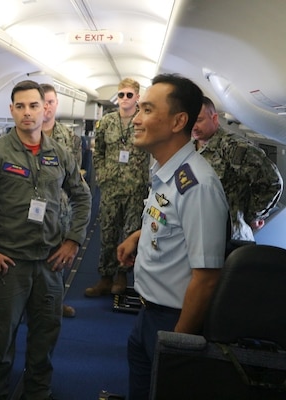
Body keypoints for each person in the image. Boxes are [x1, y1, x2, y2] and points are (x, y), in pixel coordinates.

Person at [0, 80, 92, 400]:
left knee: (44, 339)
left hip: (49, 263)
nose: (28, 113)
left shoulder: (58, 153)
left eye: (34, 106)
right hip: (9, 266)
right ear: (12, 111)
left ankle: (38, 393)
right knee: (0, 343)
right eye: (21, 106)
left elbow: (82, 196)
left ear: (45, 109)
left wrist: (73, 241)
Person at [116, 74, 228, 400]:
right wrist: (138, 235)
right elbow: (170, 219)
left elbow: (207, 277)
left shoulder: (197, 186)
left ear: (179, 121)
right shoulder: (165, 171)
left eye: (147, 110)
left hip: (173, 321)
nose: (136, 119)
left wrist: (177, 346)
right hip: (148, 312)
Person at [84, 78, 150, 297]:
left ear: (137, 97)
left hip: (135, 186)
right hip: (111, 185)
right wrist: (101, 175)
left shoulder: (144, 121)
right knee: (108, 231)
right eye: (121, 95)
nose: (124, 99)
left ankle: (122, 275)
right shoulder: (107, 121)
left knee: (130, 232)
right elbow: (99, 151)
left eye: (129, 95)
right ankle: (105, 277)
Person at [192, 96, 283, 241]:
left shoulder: (233, 146)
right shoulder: (190, 147)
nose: (194, 126)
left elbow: (272, 181)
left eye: (199, 120)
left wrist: (252, 216)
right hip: (199, 233)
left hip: (230, 238)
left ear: (214, 118)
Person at [41, 82, 83, 318]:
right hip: (28, 210)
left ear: (57, 105)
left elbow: (75, 178)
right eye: (42, 101)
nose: (46, 107)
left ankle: (56, 303)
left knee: (58, 259)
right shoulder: (20, 135)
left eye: (51, 102)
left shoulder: (69, 138)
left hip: (60, 209)